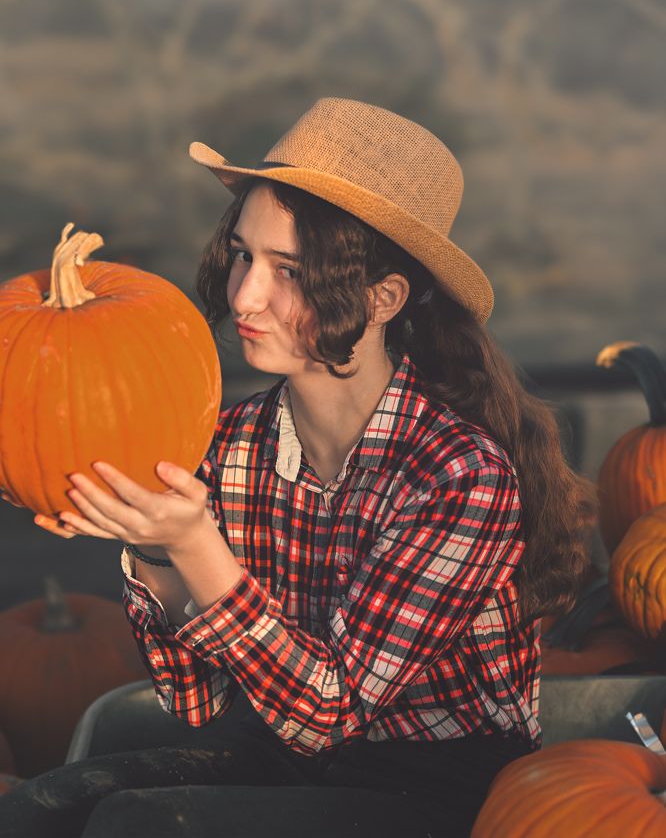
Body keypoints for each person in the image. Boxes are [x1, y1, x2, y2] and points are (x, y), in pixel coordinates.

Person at [0, 98, 595, 837]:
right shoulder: (232, 444)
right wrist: (154, 546)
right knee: (34, 812)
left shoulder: (459, 475)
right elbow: (196, 703)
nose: (245, 295)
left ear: (382, 298)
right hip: (286, 758)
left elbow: (331, 713)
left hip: (444, 795)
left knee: (140, 824)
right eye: (244, 255)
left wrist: (195, 545)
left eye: (289, 270)